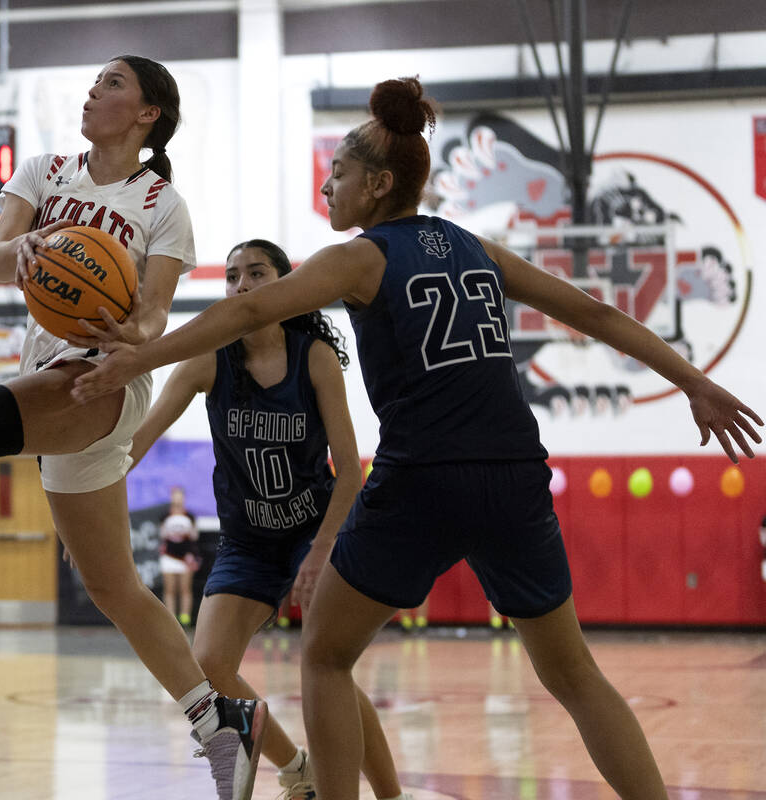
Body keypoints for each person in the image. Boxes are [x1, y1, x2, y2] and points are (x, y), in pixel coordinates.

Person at [71, 76, 763, 800]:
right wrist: (695, 382)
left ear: (377, 184)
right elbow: (597, 313)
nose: (328, 185)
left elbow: (249, 314)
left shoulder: (362, 258)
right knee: (573, 674)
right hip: (514, 472)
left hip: (424, 475)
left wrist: (141, 354)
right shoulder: (479, 250)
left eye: (336, 173)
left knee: (328, 655)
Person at [0, 56, 265, 800]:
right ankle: (219, 723)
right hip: (56, 380)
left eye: (111, 84)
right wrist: (26, 251)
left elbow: (156, 315)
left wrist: (128, 332)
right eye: (94, 82)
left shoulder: (163, 203)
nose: (92, 91)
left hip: (106, 378)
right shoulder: (43, 172)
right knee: (115, 590)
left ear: (147, 113)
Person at [130, 238, 411, 800]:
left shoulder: (314, 357)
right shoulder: (209, 358)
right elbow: (141, 436)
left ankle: (389, 795)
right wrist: (86, 498)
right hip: (247, 539)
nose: (241, 286)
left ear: (287, 284)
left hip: (316, 528)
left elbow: (351, 473)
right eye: (232, 277)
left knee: (328, 667)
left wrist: (322, 547)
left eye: (256, 273)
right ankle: (296, 765)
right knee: (209, 661)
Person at [158, 485, 199, 626]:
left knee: (185, 588)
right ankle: (171, 618)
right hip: (169, 557)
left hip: (185, 558)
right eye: (174, 495)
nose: (177, 498)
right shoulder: (165, 516)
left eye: (179, 495)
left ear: (183, 497)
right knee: (170, 589)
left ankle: (185, 617)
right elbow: (162, 535)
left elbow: (194, 536)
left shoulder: (190, 516)